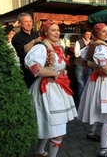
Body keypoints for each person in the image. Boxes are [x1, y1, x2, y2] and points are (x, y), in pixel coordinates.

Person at [24, 20, 78, 157]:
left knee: (50, 125)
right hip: (47, 90)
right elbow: (34, 68)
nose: (57, 32)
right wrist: (53, 73)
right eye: (53, 30)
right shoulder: (41, 47)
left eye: (58, 30)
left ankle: (40, 151)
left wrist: (62, 71)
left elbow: (58, 66)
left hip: (57, 88)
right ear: (45, 32)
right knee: (57, 129)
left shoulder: (56, 47)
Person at [77, 23, 107, 157]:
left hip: (94, 81)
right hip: (103, 81)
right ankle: (104, 151)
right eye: (103, 32)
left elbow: (83, 60)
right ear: (97, 33)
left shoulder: (92, 45)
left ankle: (91, 133)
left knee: (96, 107)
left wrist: (95, 66)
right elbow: (103, 65)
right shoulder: (101, 47)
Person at [12, 12, 41, 88]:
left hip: (40, 67)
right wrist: (34, 41)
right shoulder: (17, 37)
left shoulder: (36, 34)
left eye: (30, 21)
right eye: (26, 22)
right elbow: (22, 50)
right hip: (27, 70)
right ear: (20, 23)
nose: (29, 24)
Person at [74, 28, 92, 100]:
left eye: (90, 35)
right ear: (83, 35)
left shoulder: (92, 42)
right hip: (79, 65)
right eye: (87, 34)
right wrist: (85, 48)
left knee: (88, 85)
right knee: (81, 85)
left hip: (89, 65)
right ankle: (80, 103)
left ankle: (87, 102)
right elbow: (76, 54)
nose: (88, 36)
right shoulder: (78, 42)